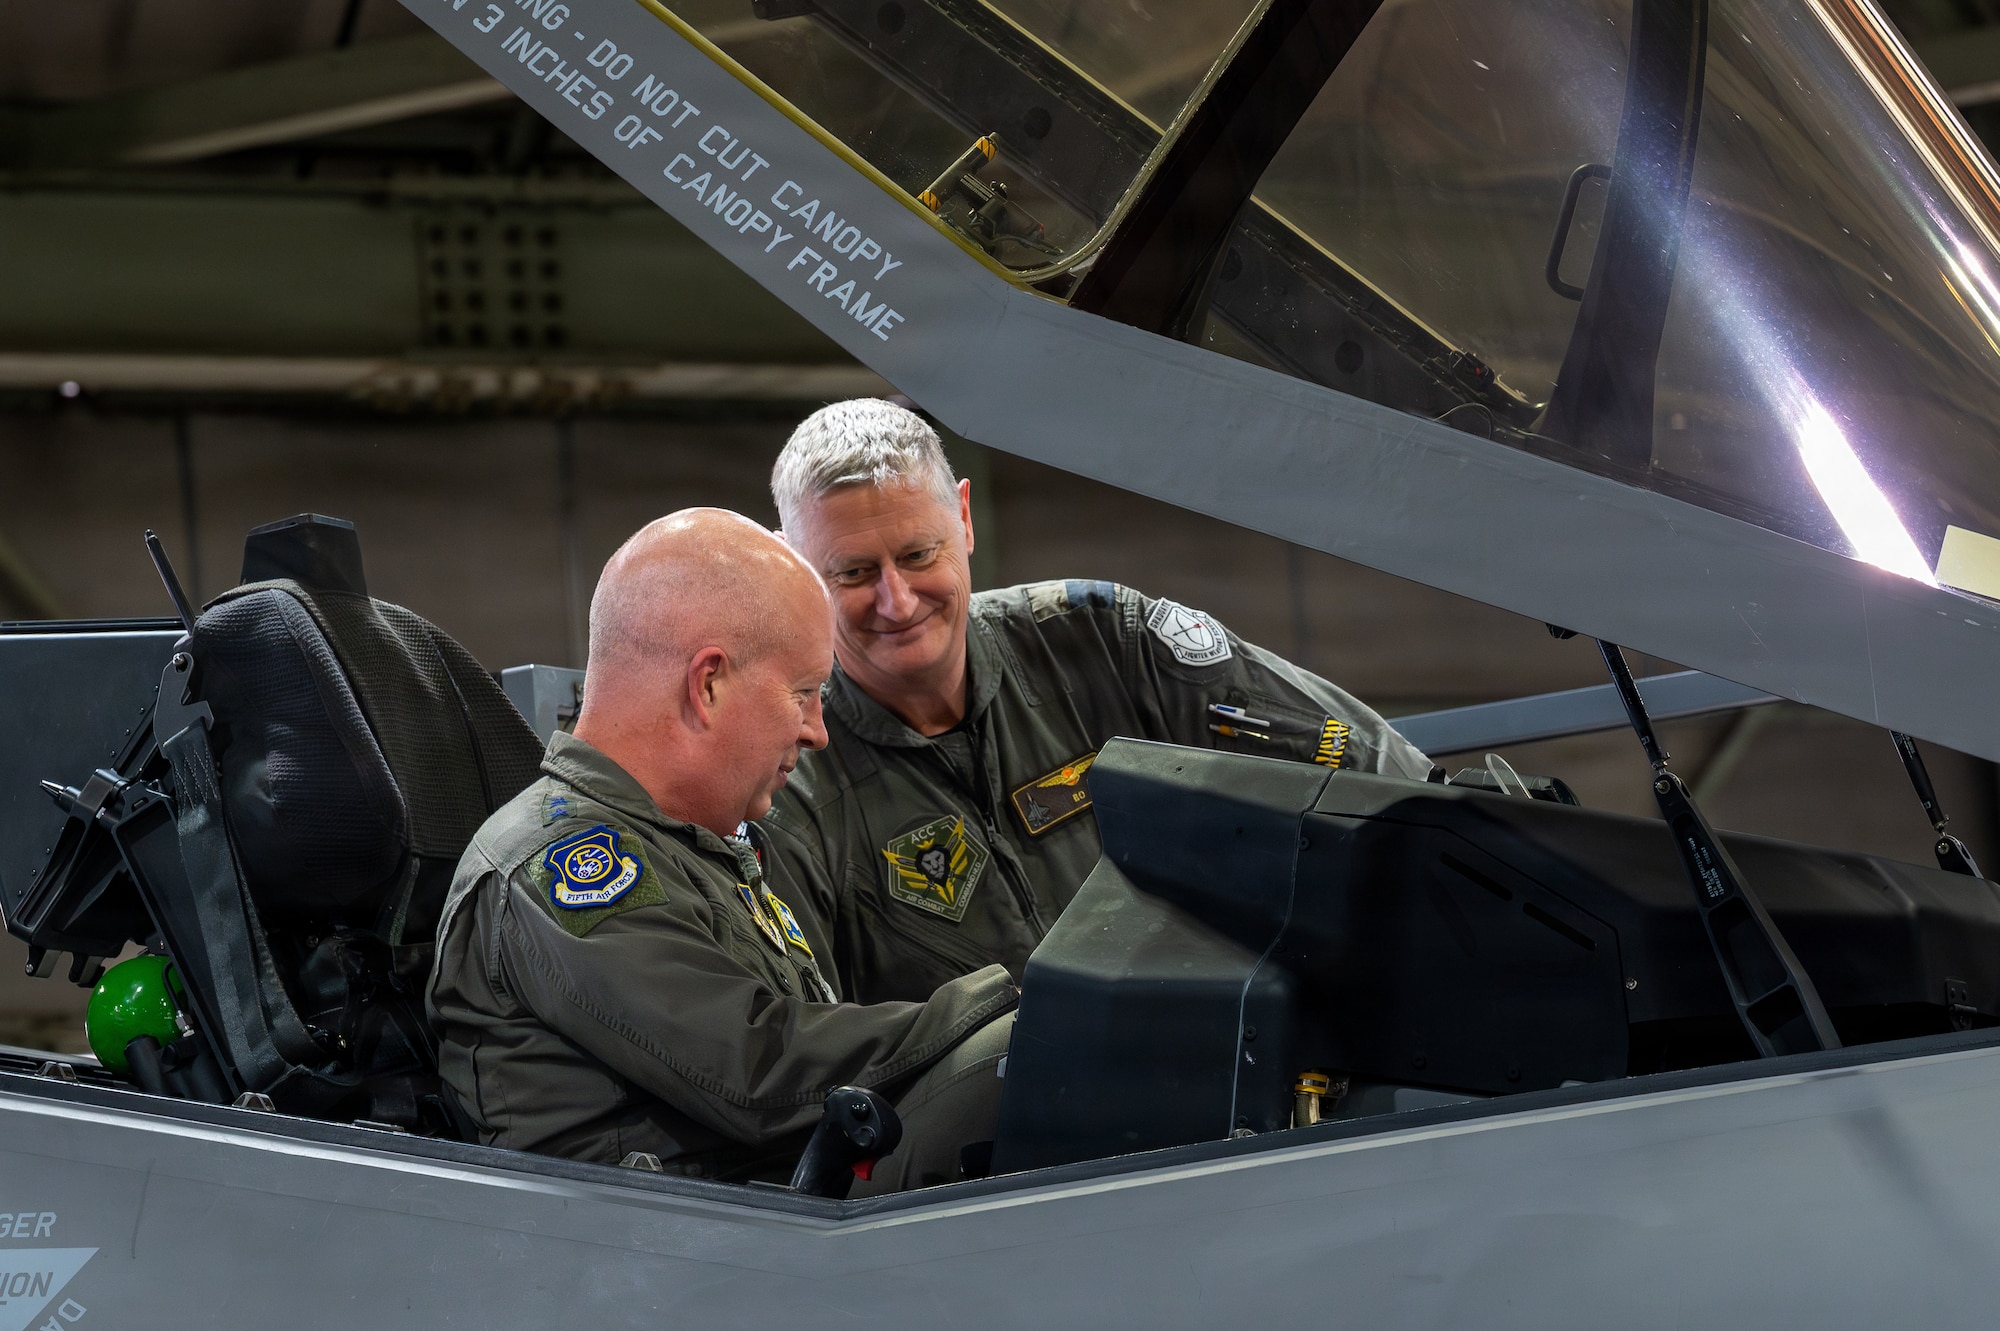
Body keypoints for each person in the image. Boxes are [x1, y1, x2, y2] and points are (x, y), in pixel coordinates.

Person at [760, 400, 1435, 1005]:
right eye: (853, 573)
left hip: (1233, 1064)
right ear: (794, 569)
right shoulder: (788, 783)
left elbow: (1371, 771)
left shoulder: (1104, 640)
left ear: (962, 519)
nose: (897, 600)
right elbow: (811, 1048)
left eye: (917, 553)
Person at [429, 508, 1017, 1192]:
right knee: (1022, 1056)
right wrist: (999, 1004)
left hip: (755, 1245)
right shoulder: (560, 863)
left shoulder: (696, 852)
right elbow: (757, 1068)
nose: (817, 731)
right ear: (708, 683)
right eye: (803, 693)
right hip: (667, 1270)